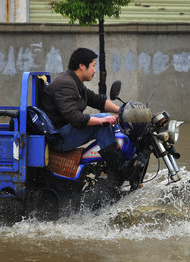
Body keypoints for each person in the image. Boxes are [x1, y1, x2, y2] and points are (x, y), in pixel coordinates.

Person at [40, 47, 133, 184]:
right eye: (93, 66)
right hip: (58, 137)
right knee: (102, 123)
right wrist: (103, 120)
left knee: (106, 118)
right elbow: (75, 118)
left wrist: (123, 111)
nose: (95, 70)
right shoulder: (66, 83)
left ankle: (111, 166)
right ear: (82, 66)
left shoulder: (74, 82)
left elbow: (97, 100)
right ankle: (119, 169)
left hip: (65, 132)